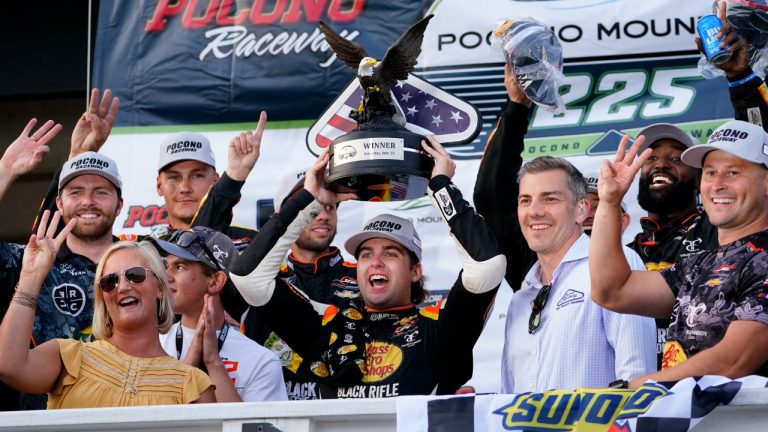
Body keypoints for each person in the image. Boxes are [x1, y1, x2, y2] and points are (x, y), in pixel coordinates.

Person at [229, 137, 506, 398]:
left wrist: (442, 187)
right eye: (365, 254)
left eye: (391, 253)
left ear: (415, 271)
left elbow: (486, 266)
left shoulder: (442, 328)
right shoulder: (328, 327)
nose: (375, 262)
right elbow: (249, 277)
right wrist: (308, 202)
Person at [475, 66, 656, 393]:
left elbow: (638, 384)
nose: (535, 211)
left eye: (550, 198)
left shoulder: (618, 266)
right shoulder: (520, 298)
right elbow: (510, 402)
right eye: (525, 200)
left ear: (581, 210)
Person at [589, 119, 768, 388]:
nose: (717, 184)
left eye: (733, 173)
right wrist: (610, 201)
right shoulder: (700, 263)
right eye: (709, 172)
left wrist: (634, 387)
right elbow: (611, 291)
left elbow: (734, 360)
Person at [0, 210, 215, 408]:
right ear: (103, 296)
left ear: (159, 287)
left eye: (135, 275)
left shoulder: (192, 384)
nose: (122, 287)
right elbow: (9, 365)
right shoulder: (69, 356)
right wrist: (30, 277)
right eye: (109, 281)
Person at [0, 114, 126, 409]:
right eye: (76, 192)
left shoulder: (143, 265)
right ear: (59, 203)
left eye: (101, 192)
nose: (88, 201)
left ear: (119, 204)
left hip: (130, 417)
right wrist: (5, 170)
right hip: (46, 421)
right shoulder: (29, 261)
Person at [225, 168, 358, 400]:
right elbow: (202, 240)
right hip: (270, 412)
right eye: (313, 205)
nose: (323, 214)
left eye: (330, 205)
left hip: (345, 413)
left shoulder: (364, 277)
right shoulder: (259, 281)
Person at [151, 227, 287, 402]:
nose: (166, 276)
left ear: (216, 282)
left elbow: (252, 428)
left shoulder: (262, 362)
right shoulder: (147, 347)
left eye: (179, 267)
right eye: (165, 266)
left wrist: (213, 363)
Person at [154, 117, 265, 247]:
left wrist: (235, 174)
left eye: (197, 176)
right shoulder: (148, 253)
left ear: (216, 181)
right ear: (159, 185)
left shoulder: (252, 244)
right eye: (174, 177)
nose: (185, 188)